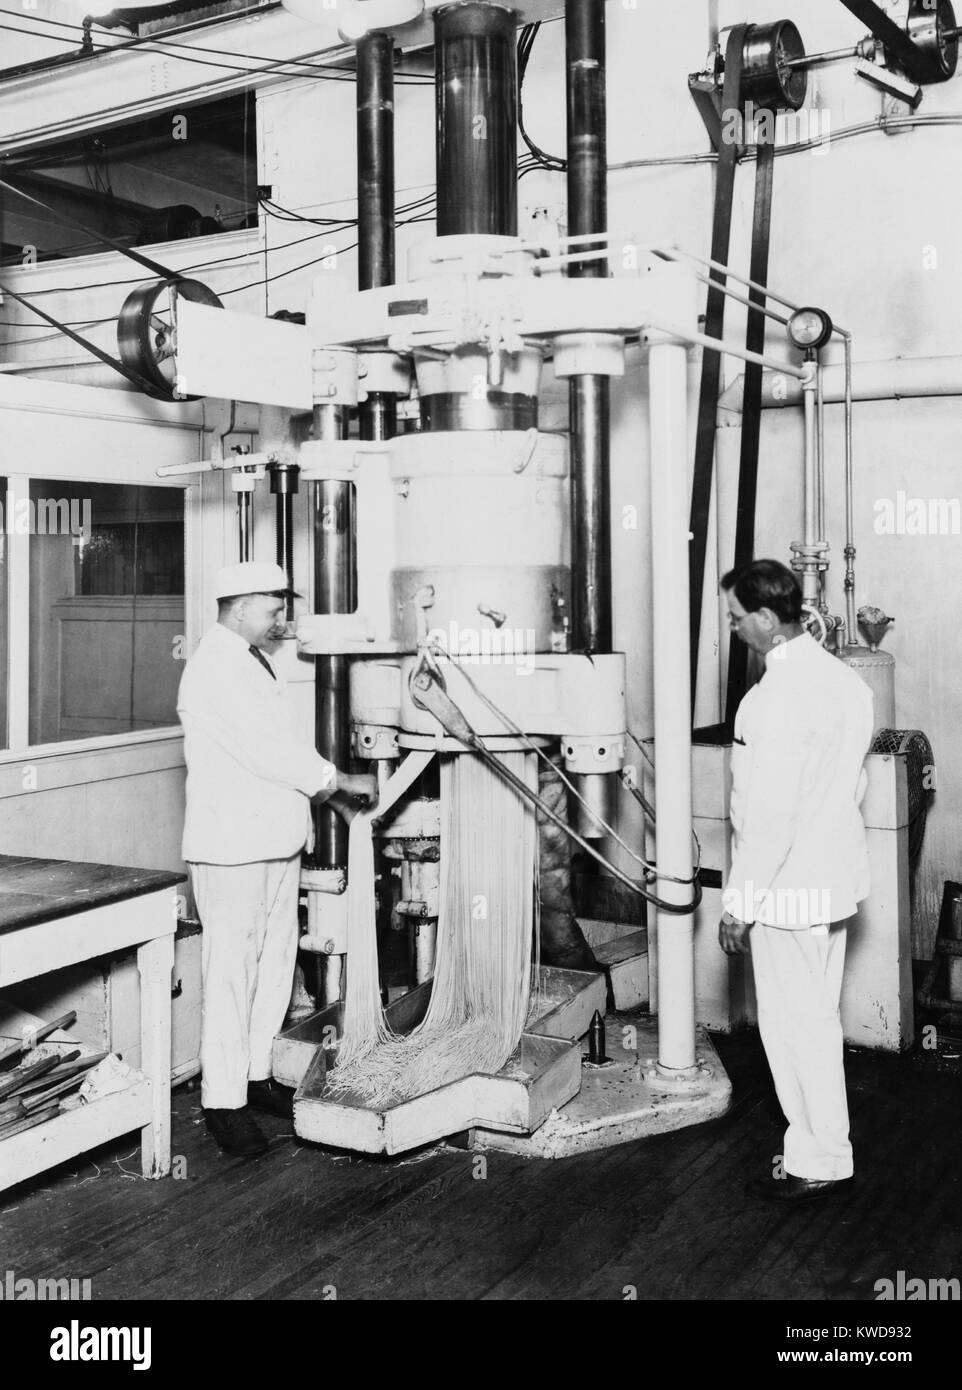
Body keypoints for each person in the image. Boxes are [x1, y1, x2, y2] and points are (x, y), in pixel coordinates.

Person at [177, 561, 376, 1157]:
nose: (279, 619)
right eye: (270, 607)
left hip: (273, 842)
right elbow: (265, 751)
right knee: (232, 973)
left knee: (273, 967)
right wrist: (337, 778)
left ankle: (258, 1074)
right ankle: (222, 1103)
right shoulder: (214, 665)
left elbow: (282, 746)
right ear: (237, 606)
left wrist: (329, 798)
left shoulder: (250, 660)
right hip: (232, 849)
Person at [718, 559, 874, 1202]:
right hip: (831, 881)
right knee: (816, 1018)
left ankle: (820, 1158)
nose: (731, 629)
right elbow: (852, 787)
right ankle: (826, 1147)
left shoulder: (772, 701)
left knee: (793, 1027)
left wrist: (739, 903)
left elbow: (770, 819)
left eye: (733, 617)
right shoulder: (844, 682)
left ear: (762, 617)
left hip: (784, 890)